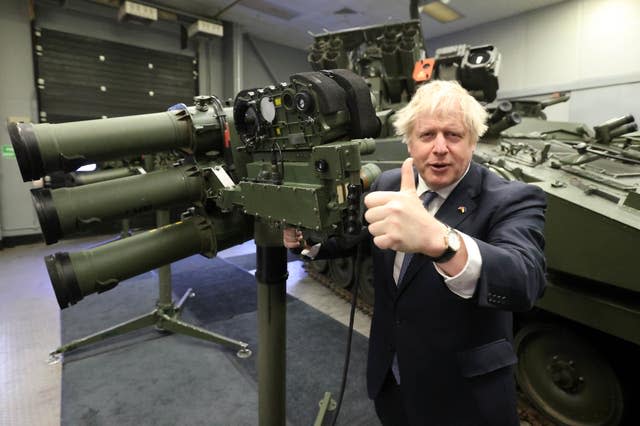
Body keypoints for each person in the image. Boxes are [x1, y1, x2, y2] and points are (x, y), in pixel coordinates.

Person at [284, 80, 546, 426]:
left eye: (453, 135)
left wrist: (440, 240)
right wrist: (307, 239)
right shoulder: (389, 184)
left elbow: (525, 280)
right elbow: (356, 236)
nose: (440, 148)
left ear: (472, 141)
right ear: (409, 141)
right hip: (392, 376)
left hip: (464, 397)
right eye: (427, 135)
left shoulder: (513, 198)